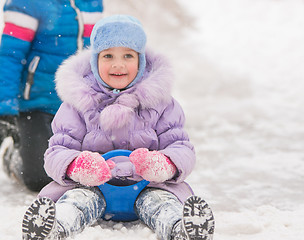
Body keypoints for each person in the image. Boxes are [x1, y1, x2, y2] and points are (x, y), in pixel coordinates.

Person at [21, 15, 215, 240]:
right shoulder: (77, 104)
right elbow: (56, 152)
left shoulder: (161, 103)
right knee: (76, 203)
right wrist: (78, 166)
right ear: (95, 60)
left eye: (128, 55)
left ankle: (181, 229)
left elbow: (181, 147)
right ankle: (54, 227)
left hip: (148, 186)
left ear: (141, 60)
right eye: (108, 55)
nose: (118, 64)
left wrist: (164, 164)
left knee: (162, 204)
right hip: (92, 186)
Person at [0, 0, 104, 191]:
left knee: (97, 169)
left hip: (78, 107)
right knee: (40, 177)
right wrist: (5, 111)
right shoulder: (28, 3)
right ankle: (15, 157)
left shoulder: (91, 3)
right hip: (37, 105)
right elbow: (10, 56)